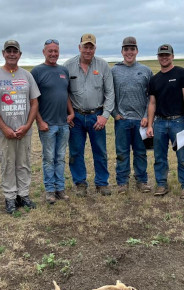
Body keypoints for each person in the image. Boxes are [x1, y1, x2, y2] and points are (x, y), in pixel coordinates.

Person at [0, 40, 40, 214]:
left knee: (23, 164)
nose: (11, 54)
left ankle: (23, 196)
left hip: (24, 130)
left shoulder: (27, 76)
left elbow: (34, 102)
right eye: (8, 51)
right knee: (8, 164)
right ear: (3, 53)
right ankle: (10, 197)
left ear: (20, 54)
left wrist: (27, 125)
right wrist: (4, 128)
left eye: (15, 51)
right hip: (4, 132)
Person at [64, 33, 115, 197]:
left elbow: (110, 93)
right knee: (75, 152)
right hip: (76, 117)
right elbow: (64, 93)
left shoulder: (103, 66)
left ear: (95, 48)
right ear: (79, 47)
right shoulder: (68, 66)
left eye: (91, 47)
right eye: (85, 46)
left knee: (100, 151)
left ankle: (102, 183)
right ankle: (80, 183)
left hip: (97, 116)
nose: (88, 50)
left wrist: (105, 115)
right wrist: (69, 113)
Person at [147, 44, 184, 199]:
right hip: (159, 123)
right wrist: (149, 125)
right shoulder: (154, 79)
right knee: (159, 156)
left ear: (172, 56)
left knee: (182, 156)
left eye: (167, 54)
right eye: (161, 55)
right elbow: (152, 103)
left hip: (178, 121)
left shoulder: (182, 73)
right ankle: (161, 184)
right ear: (158, 57)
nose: (164, 57)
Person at [31, 39, 74, 204]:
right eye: (50, 51)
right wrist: (40, 121)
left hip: (64, 123)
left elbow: (66, 94)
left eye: (56, 51)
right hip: (47, 124)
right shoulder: (37, 72)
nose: (53, 54)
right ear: (44, 52)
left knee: (61, 157)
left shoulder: (64, 70)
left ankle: (60, 189)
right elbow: (33, 100)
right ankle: (50, 190)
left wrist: (71, 113)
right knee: (48, 158)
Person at [111, 36, 153, 194]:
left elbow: (151, 97)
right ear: (122, 51)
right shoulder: (114, 71)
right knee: (122, 153)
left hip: (140, 121)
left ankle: (141, 180)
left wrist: (146, 116)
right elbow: (109, 94)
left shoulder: (146, 71)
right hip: (122, 120)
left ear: (137, 51)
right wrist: (115, 114)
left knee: (141, 152)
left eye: (132, 49)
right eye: (126, 49)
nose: (129, 52)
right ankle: (122, 182)